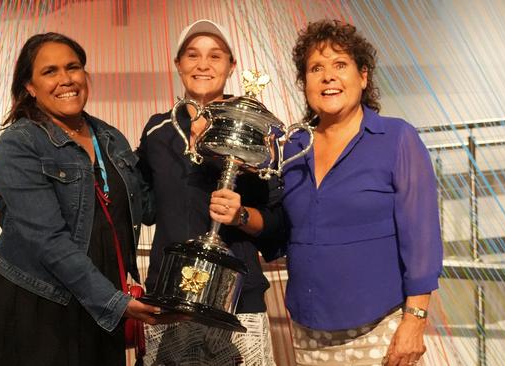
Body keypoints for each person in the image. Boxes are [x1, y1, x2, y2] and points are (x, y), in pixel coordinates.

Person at [255, 19, 443, 366]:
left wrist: (415, 321)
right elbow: (283, 230)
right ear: (305, 83)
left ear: (364, 76)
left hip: (379, 329)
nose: (328, 76)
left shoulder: (397, 139)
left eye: (340, 64)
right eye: (316, 68)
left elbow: (422, 237)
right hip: (308, 329)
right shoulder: (294, 147)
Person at [0, 32, 171, 366]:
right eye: (50, 71)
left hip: (102, 306)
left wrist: (183, 150)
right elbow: (48, 241)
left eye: (73, 67)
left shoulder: (110, 138)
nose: (65, 79)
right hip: (41, 310)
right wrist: (114, 303)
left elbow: (149, 206)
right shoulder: (19, 145)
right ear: (29, 86)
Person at [136, 20, 279, 366]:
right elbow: (145, 207)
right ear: (178, 64)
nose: (203, 65)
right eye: (192, 55)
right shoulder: (157, 131)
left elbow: (277, 223)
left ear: (231, 66)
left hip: (238, 301)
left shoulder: (256, 134)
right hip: (170, 299)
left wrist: (241, 215)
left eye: (215, 56)